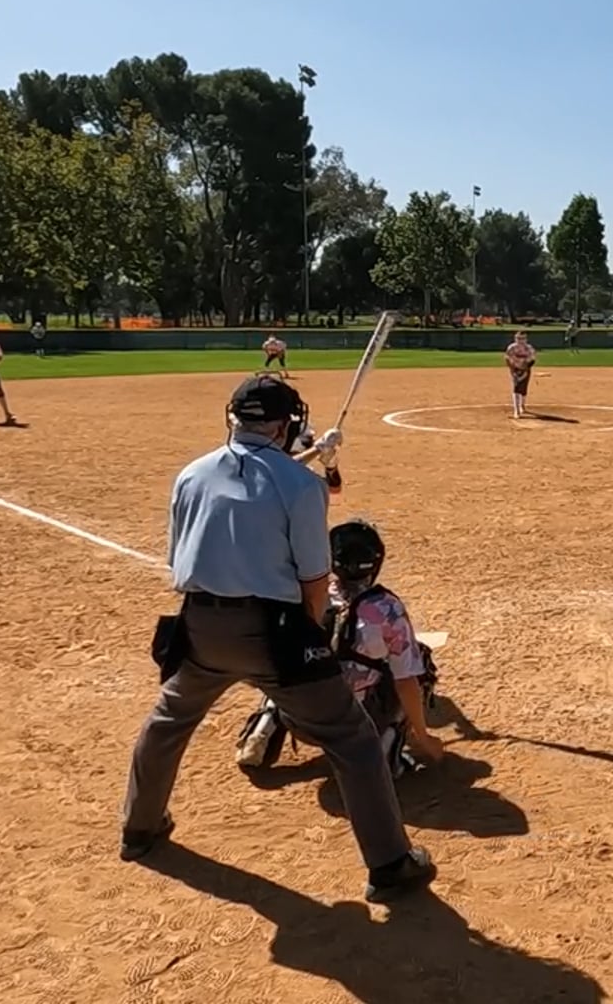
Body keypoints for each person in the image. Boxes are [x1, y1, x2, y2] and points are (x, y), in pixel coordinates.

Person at [119, 374, 435, 903]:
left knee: (168, 721)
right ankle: (390, 865)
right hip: (273, 630)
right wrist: (309, 643)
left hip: (198, 626)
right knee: (351, 737)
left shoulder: (191, 474)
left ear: (232, 417)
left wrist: (312, 457)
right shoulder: (302, 487)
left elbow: (179, 556)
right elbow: (315, 580)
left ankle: (139, 828)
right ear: (286, 425)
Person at [235, 519, 444, 778]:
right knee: (415, 664)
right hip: (353, 726)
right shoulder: (387, 609)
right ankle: (384, 749)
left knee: (294, 658)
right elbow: (405, 681)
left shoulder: (304, 595)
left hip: (299, 719)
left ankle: (266, 721)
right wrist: (423, 738)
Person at [505, 330, 537, 419]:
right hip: (515, 369)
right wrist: (512, 369)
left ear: (526, 339)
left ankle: (522, 404)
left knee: (523, 388)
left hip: (525, 369)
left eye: (522, 338)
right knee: (516, 388)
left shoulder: (529, 348)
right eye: (518, 338)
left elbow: (533, 359)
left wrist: (525, 368)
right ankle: (516, 410)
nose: (520, 341)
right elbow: (507, 358)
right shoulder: (511, 348)